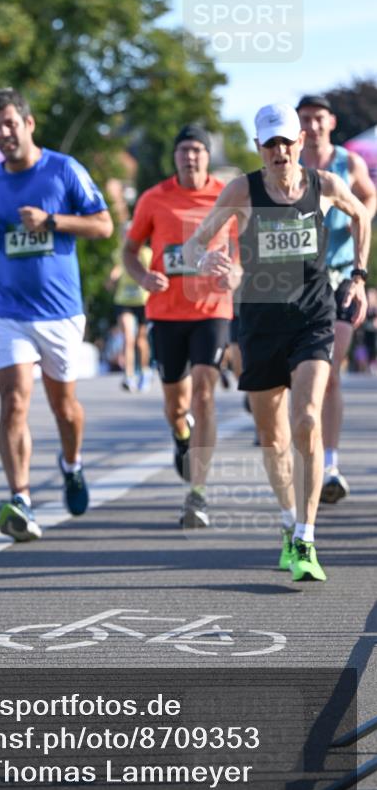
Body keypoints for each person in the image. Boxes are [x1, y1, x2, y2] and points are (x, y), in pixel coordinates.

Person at [183, 103, 369, 582]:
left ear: (300, 144)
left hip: (314, 316)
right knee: (273, 436)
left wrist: (358, 275)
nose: (280, 151)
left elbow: (361, 215)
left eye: (287, 142)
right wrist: (208, 263)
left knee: (307, 415)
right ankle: (289, 522)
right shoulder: (242, 189)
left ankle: (306, 538)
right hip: (261, 324)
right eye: (271, 144)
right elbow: (195, 244)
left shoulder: (324, 185)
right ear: (259, 148)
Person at [0, 88, 113, 541]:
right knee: (14, 401)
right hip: (6, 310)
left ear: (29, 124)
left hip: (59, 312)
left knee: (64, 408)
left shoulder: (64, 169)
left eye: (10, 123)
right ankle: (21, 498)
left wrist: (53, 221)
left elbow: (104, 224)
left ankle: (71, 465)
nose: (4, 134)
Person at [123, 124, 239, 528]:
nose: (190, 157)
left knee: (204, 391)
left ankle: (198, 494)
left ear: (208, 157)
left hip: (212, 310)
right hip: (166, 313)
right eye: (184, 151)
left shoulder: (226, 198)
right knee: (176, 405)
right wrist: (142, 278)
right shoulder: (154, 199)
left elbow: (241, 255)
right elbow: (129, 250)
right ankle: (181, 436)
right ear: (175, 157)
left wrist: (235, 275)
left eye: (197, 151)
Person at [297, 94, 376, 503]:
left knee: (329, 370)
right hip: (296, 282)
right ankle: (302, 456)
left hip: (342, 276)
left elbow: (370, 195)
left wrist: (357, 213)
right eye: (304, 119)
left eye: (318, 118)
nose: (311, 126)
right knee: (298, 376)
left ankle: (329, 466)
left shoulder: (348, 163)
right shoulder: (288, 164)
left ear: (331, 121)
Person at [106, 228, 153, 392]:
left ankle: (145, 372)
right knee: (128, 337)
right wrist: (112, 278)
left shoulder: (147, 253)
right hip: (124, 300)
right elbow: (119, 267)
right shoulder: (119, 252)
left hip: (143, 301)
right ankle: (129, 375)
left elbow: (150, 271)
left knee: (141, 341)